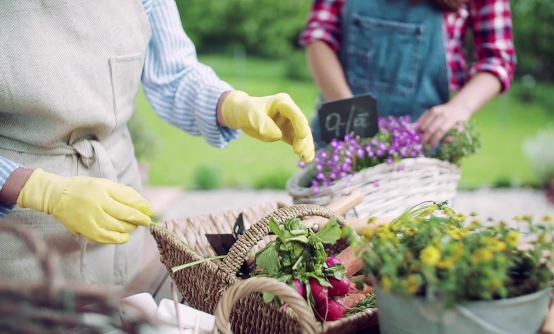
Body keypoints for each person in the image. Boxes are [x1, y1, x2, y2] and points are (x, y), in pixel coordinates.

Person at [0, 0, 314, 288]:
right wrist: (37, 190)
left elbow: (175, 74)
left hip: (117, 217)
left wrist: (233, 105)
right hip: (17, 235)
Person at [300, 0, 516, 149]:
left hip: (422, 147)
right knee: (321, 216)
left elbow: (497, 57)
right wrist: (352, 116)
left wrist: (458, 108)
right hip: (341, 133)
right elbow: (319, 35)